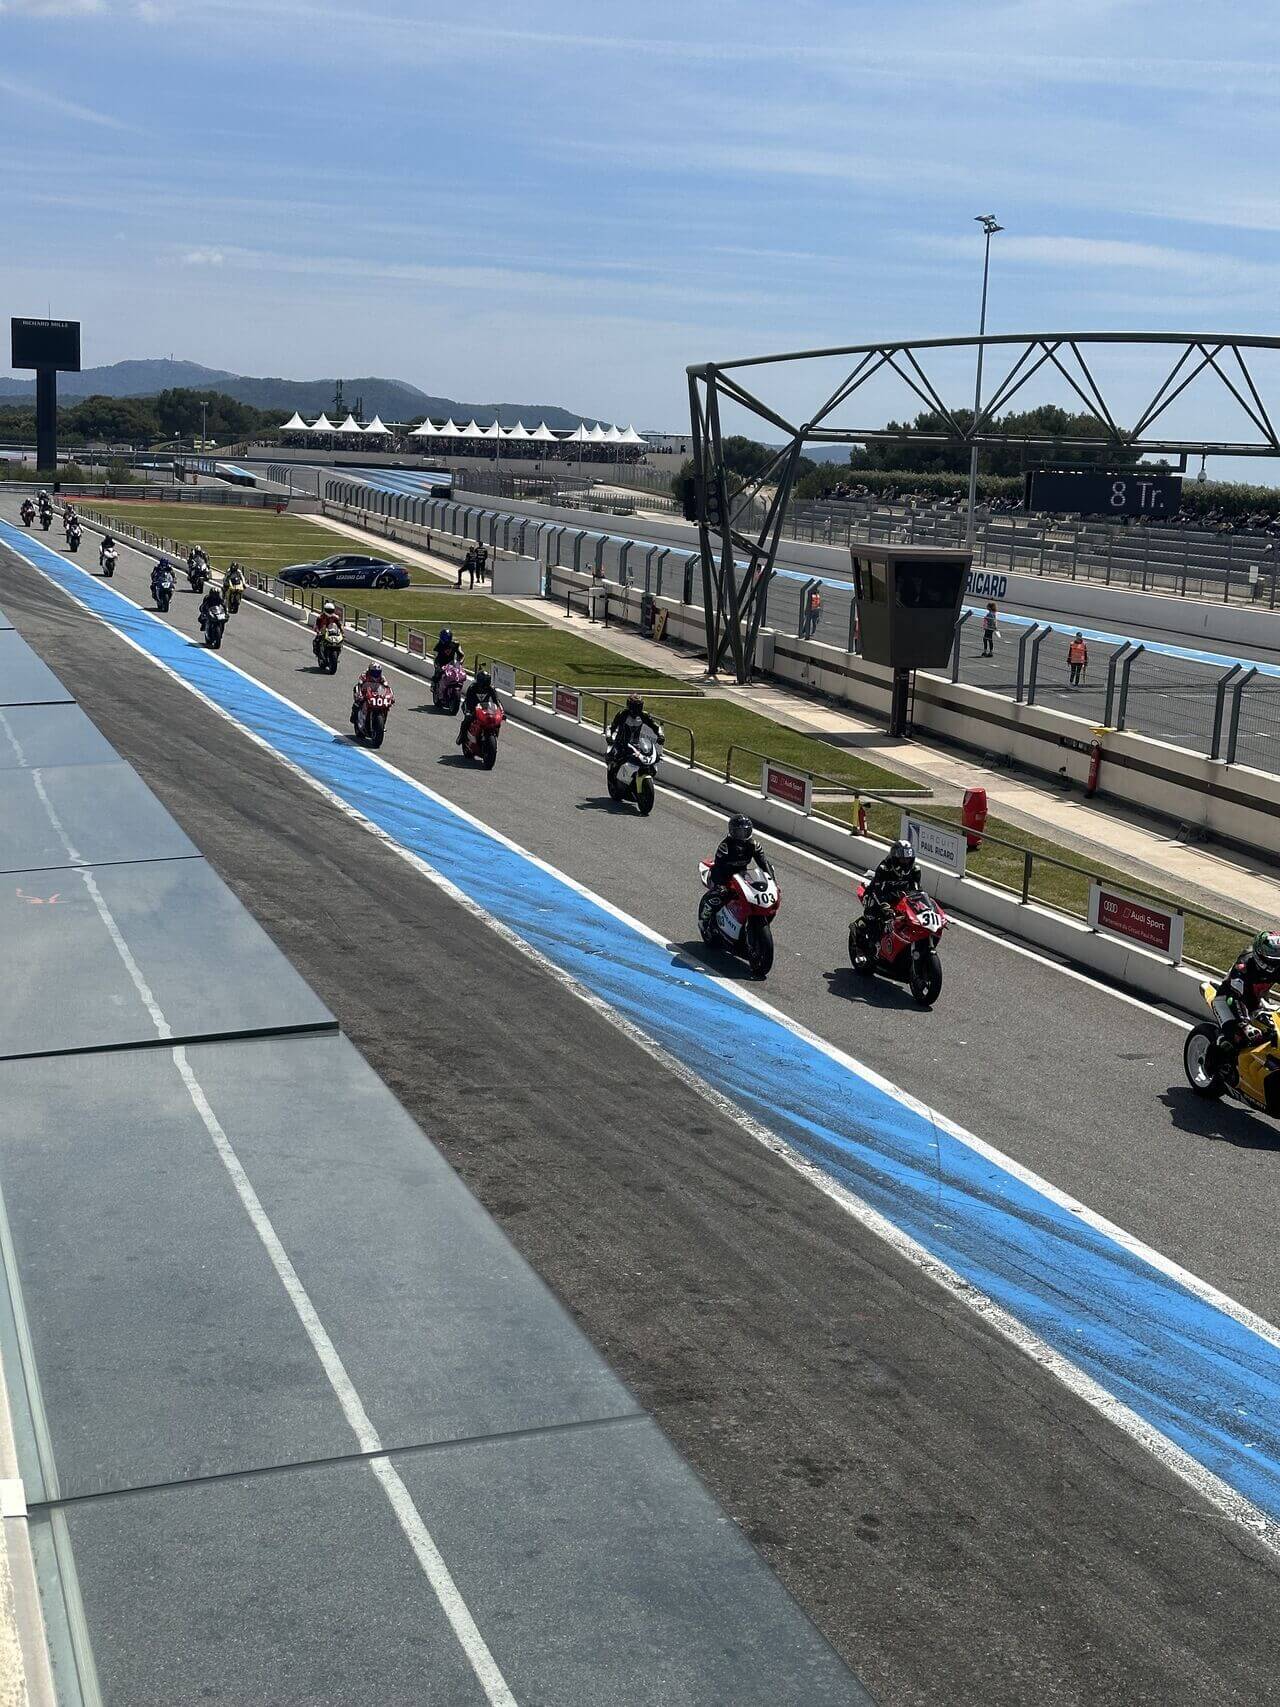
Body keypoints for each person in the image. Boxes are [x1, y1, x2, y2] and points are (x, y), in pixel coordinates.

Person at [1212, 932, 1280, 1076]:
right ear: (1259, 953)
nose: (1274, 961)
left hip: (1256, 1002)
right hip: (1227, 1000)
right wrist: (1244, 1024)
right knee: (1235, 1038)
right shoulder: (1243, 966)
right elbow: (1235, 998)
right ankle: (1214, 1063)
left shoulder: (1277, 964)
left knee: (1271, 1034)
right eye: (1271, 954)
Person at [857, 839, 923, 956]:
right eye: (902, 858)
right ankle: (872, 945)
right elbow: (877, 891)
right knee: (874, 913)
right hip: (879, 895)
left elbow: (917, 891)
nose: (905, 861)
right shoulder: (884, 868)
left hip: (900, 897)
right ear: (895, 858)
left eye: (908, 858)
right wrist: (885, 907)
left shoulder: (915, 870)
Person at [703, 813, 775, 915]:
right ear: (732, 831)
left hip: (741, 875)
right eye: (739, 832)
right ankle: (706, 916)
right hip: (723, 876)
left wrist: (773, 883)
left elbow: (763, 864)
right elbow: (719, 867)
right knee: (719, 896)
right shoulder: (725, 846)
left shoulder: (754, 845)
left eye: (745, 831)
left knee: (754, 894)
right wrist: (721, 885)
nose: (742, 835)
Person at [607, 693, 664, 775]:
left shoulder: (644, 715)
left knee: (650, 760)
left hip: (636, 745)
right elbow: (611, 727)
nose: (636, 710)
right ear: (629, 706)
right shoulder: (622, 714)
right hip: (621, 744)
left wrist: (661, 735)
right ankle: (614, 780)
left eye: (639, 707)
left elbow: (656, 727)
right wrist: (609, 737)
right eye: (634, 707)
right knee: (614, 762)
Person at [457, 665, 497, 747]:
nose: (485, 685)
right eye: (484, 682)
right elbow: (468, 700)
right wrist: (468, 711)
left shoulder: (491, 689)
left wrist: (501, 712)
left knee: (494, 721)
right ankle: (462, 736)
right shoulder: (472, 688)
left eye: (487, 682)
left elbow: (496, 701)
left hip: (484, 708)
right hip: (470, 706)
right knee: (467, 719)